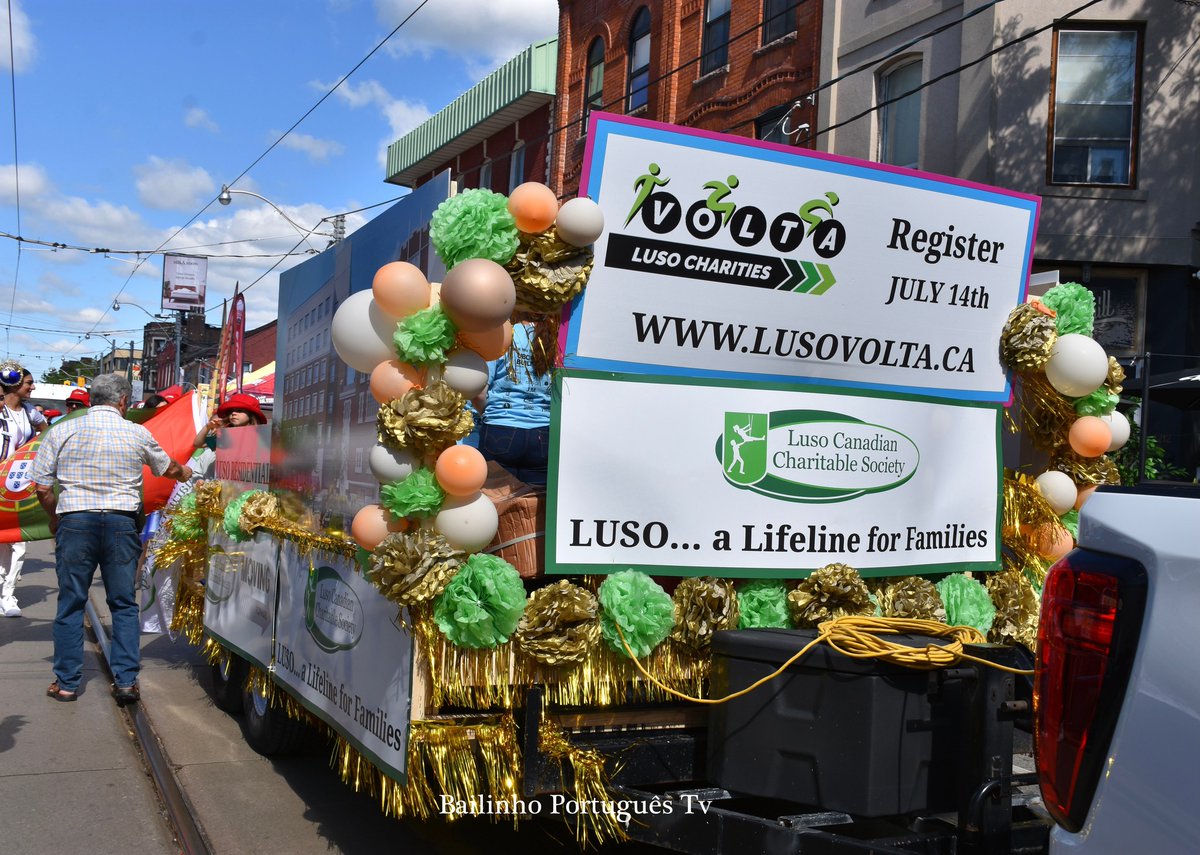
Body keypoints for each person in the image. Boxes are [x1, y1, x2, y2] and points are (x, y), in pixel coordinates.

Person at [31, 373, 193, 703]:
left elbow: (42, 487)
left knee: (71, 603)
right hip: (121, 524)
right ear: (122, 401)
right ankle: (126, 682)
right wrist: (188, 473)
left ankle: (66, 683)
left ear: (92, 399)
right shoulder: (136, 432)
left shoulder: (61, 430)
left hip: (76, 523)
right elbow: (168, 468)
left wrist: (54, 519)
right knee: (122, 603)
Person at [475, 315, 553, 486]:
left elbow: (479, 392)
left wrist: (486, 413)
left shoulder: (501, 334)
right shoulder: (556, 338)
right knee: (532, 508)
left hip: (500, 428)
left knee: (495, 502)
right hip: (544, 434)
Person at [0, 364, 49, 617]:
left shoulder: (31, 413)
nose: (32, 387)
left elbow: (47, 435)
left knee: (17, 541)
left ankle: (8, 595)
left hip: (18, 484)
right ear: (13, 384)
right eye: (28, 383)